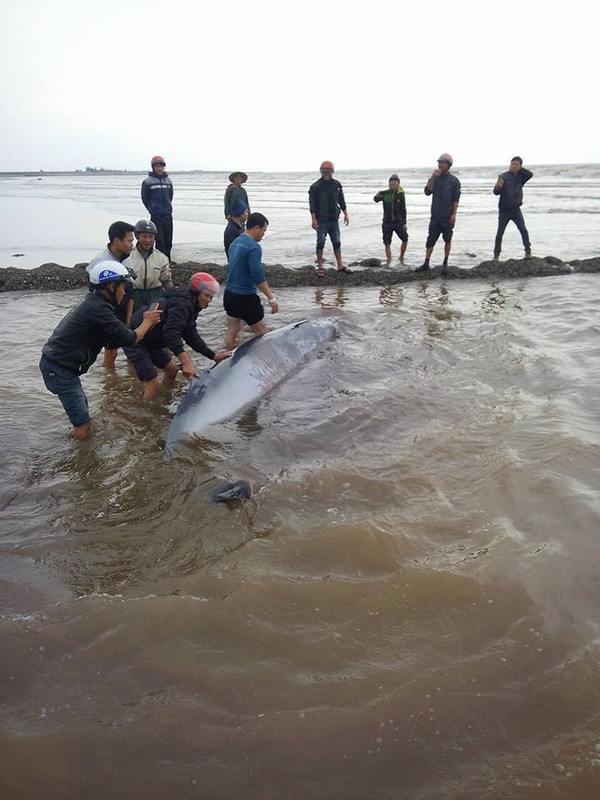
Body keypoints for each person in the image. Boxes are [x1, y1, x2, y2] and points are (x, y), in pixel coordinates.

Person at [39, 263, 161, 440]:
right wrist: (148, 322)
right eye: (123, 287)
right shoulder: (99, 309)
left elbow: (118, 338)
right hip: (59, 370)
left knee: (82, 411)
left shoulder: (95, 303)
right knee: (83, 424)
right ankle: (78, 461)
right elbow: (130, 339)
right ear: (111, 286)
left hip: (58, 367)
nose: (125, 292)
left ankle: (74, 447)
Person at [124, 272, 231, 400]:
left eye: (211, 297)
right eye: (206, 295)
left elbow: (191, 336)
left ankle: (165, 399)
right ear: (196, 292)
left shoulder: (191, 305)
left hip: (151, 342)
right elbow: (171, 334)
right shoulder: (183, 305)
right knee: (152, 383)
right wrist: (186, 362)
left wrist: (214, 356)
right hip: (136, 340)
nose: (208, 300)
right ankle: (146, 414)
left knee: (171, 370)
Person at [223, 212, 278, 349]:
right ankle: (266, 365)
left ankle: (227, 360)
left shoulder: (235, 242)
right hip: (245, 297)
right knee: (263, 335)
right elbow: (257, 274)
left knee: (232, 334)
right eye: (264, 230)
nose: (264, 234)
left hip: (229, 295)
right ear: (256, 228)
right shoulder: (254, 247)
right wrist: (271, 298)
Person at [86, 221, 137, 368]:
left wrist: (128, 321)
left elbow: (131, 294)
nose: (132, 244)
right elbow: (94, 298)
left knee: (130, 348)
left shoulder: (127, 259)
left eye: (132, 240)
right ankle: (109, 383)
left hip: (123, 310)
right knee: (112, 352)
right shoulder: (100, 263)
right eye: (129, 240)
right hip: (107, 314)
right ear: (116, 240)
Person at [415, 153, 461, 276]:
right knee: (430, 240)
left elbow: (456, 199)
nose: (440, 165)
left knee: (447, 239)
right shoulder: (435, 178)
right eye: (439, 162)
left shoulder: (454, 181)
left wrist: (454, 214)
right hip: (435, 216)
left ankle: (445, 262)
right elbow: (427, 191)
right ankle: (426, 263)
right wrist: (433, 177)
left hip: (447, 216)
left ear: (449, 165)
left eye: (443, 163)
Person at [309, 160, 350, 276]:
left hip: (334, 219)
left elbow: (341, 200)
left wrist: (346, 213)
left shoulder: (336, 185)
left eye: (328, 171)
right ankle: (320, 267)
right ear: (321, 172)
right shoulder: (315, 187)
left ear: (332, 172)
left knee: (337, 241)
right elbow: (312, 204)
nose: (326, 173)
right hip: (321, 220)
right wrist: (313, 219)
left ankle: (340, 265)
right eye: (324, 171)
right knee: (321, 241)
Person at [125, 219, 173, 311]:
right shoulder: (128, 256)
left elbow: (166, 279)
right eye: (144, 236)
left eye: (151, 237)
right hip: (134, 295)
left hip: (155, 295)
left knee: (156, 322)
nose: (148, 240)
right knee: (134, 322)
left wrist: (173, 296)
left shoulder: (161, 257)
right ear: (137, 236)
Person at [493, 157, 533, 260]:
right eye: (512, 164)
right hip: (504, 210)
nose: (514, 166)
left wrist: (520, 169)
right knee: (500, 232)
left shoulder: (521, 177)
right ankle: (496, 255)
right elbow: (495, 192)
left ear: (520, 166)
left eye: (516, 165)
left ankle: (528, 251)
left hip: (516, 209)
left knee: (523, 230)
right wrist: (498, 187)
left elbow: (530, 174)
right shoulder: (503, 176)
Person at [141, 155, 174, 260]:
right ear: (153, 167)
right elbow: (145, 198)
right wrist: (152, 209)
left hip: (168, 214)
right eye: (157, 166)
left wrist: (167, 207)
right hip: (156, 216)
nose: (159, 168)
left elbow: (170, 196)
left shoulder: (168, 181)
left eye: (161, 166)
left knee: (168, 241)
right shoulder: (147, 182)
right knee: (160, 242)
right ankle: (160, 262)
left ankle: (168, 261)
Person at [374, 173, 408, 265]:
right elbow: (375, 200)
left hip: (398, 222)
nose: (393, 183)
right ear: (389, 183)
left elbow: (403, 209)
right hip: (387, 223)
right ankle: (389, 260)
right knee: (387, 243)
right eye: (391, 181)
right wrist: (377, 196)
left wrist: (404, 223)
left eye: (395, 181)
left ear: (398, 183)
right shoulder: (385, 193)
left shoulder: (401, 194)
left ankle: (401, 257)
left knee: (405, 239)